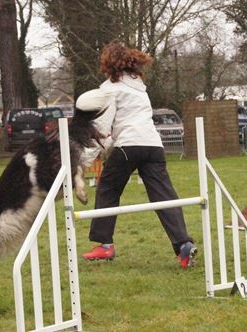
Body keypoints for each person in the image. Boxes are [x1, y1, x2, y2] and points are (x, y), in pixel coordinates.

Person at [81, 41, 197, 269]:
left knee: (107, 187)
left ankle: (104, 245)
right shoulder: (139, 88)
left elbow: (102, 130)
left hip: (129, 146)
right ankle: (182, 244)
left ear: (108, 65)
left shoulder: (109, 89)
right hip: (153, 146)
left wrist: (84, 160)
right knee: (164, 196)